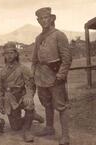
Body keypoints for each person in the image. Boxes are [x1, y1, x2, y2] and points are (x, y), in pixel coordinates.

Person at [31, 7, 72, 145]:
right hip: (41, 77)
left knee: (61, 106)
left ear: (51, 18)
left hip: (55, 76)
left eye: (46, 17)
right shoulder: (38, 38)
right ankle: (49, 128)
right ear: (38, 21)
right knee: (47, 104)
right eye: (41, 19)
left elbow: (66, 58)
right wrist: (34, 75)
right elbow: (34, 60)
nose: (44, 21)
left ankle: (65, 135)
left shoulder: (59, 35)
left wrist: (60, 75)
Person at [0, 42, 44, 142]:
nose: (9, 56)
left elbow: (31, 85)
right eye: (6, 53)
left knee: (29, 103)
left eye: (11, 53)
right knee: (15, 127)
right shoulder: (2, 72)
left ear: (16, 54)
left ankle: (27, 131)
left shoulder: (23, 69)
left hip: (22, 95)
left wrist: (29, 95)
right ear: (4, 55)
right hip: (10, 98)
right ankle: (32, 116)